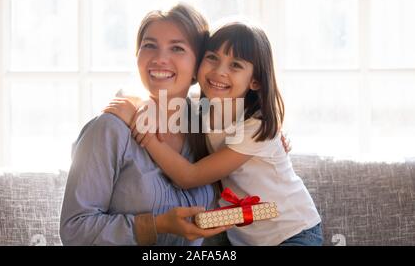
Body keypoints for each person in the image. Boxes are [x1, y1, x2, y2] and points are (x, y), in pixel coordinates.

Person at [106, 22, 322, 246]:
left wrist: (146, 134)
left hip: (293, 232)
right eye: (212, 57)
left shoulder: (256, 127)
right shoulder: (200, 107)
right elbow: (153, 91)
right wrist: (141, 105)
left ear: (255, 80)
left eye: (235, 65)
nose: (220, 71)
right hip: (243, 238)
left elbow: (189, 177)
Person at [60, 4, 230, 246]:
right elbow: (74, 230)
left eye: (177, 48)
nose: (160, 59)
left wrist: (270, 143)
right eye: (149, 45)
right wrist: (155, 225)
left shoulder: (208, 127)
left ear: (199, 67)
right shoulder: (109, 130)